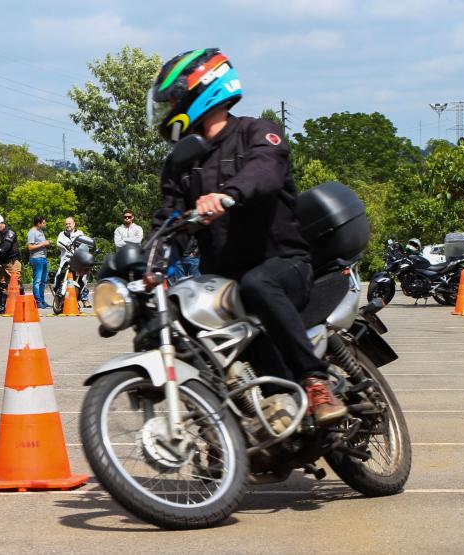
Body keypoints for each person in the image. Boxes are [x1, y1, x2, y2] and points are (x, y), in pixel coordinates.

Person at [148, 48, 346, 426]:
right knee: (181, 316)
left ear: (202, 90)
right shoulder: (180, 162)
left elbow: (265, 172)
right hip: (223, 277)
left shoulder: (258, 133)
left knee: (257, 284)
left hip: (283, 263)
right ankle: (227, 425)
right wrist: (147, 261)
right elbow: (167, 218)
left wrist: (228, 195)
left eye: (172, 99)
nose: (168, 108)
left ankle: (315, 380)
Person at [0, 214, 24, 314]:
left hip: (12, 262)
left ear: (2, 223)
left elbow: (6, 246)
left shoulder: (10, 233)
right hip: (1, 262)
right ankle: (1, 307)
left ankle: (22, 306)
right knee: (2, 285)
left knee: (16, 284)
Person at [57, 217, 92, 308]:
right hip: (66, 260)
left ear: (74, 224)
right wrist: (69, 244)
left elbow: (85, 244)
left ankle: (84, 299)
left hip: (78, 260)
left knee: (82, 279)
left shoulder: (80, 233)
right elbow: (59, 243)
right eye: (66, 224)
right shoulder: (62, 234)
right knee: (60, 278)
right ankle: (60, 297)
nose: (68, 225)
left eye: (69, 223)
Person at [27, 215, 51, 309]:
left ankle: (42, 300)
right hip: (36, 259)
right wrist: (43, 244)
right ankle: (37, 301)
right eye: (44, 223)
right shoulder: (32, 232)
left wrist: (47, 243)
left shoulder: (40, 231)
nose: (45, 224)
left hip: (43, 258)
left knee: (43, 281)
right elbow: (30, 247)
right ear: (38, 223)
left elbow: (41, 244)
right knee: (37, 281)